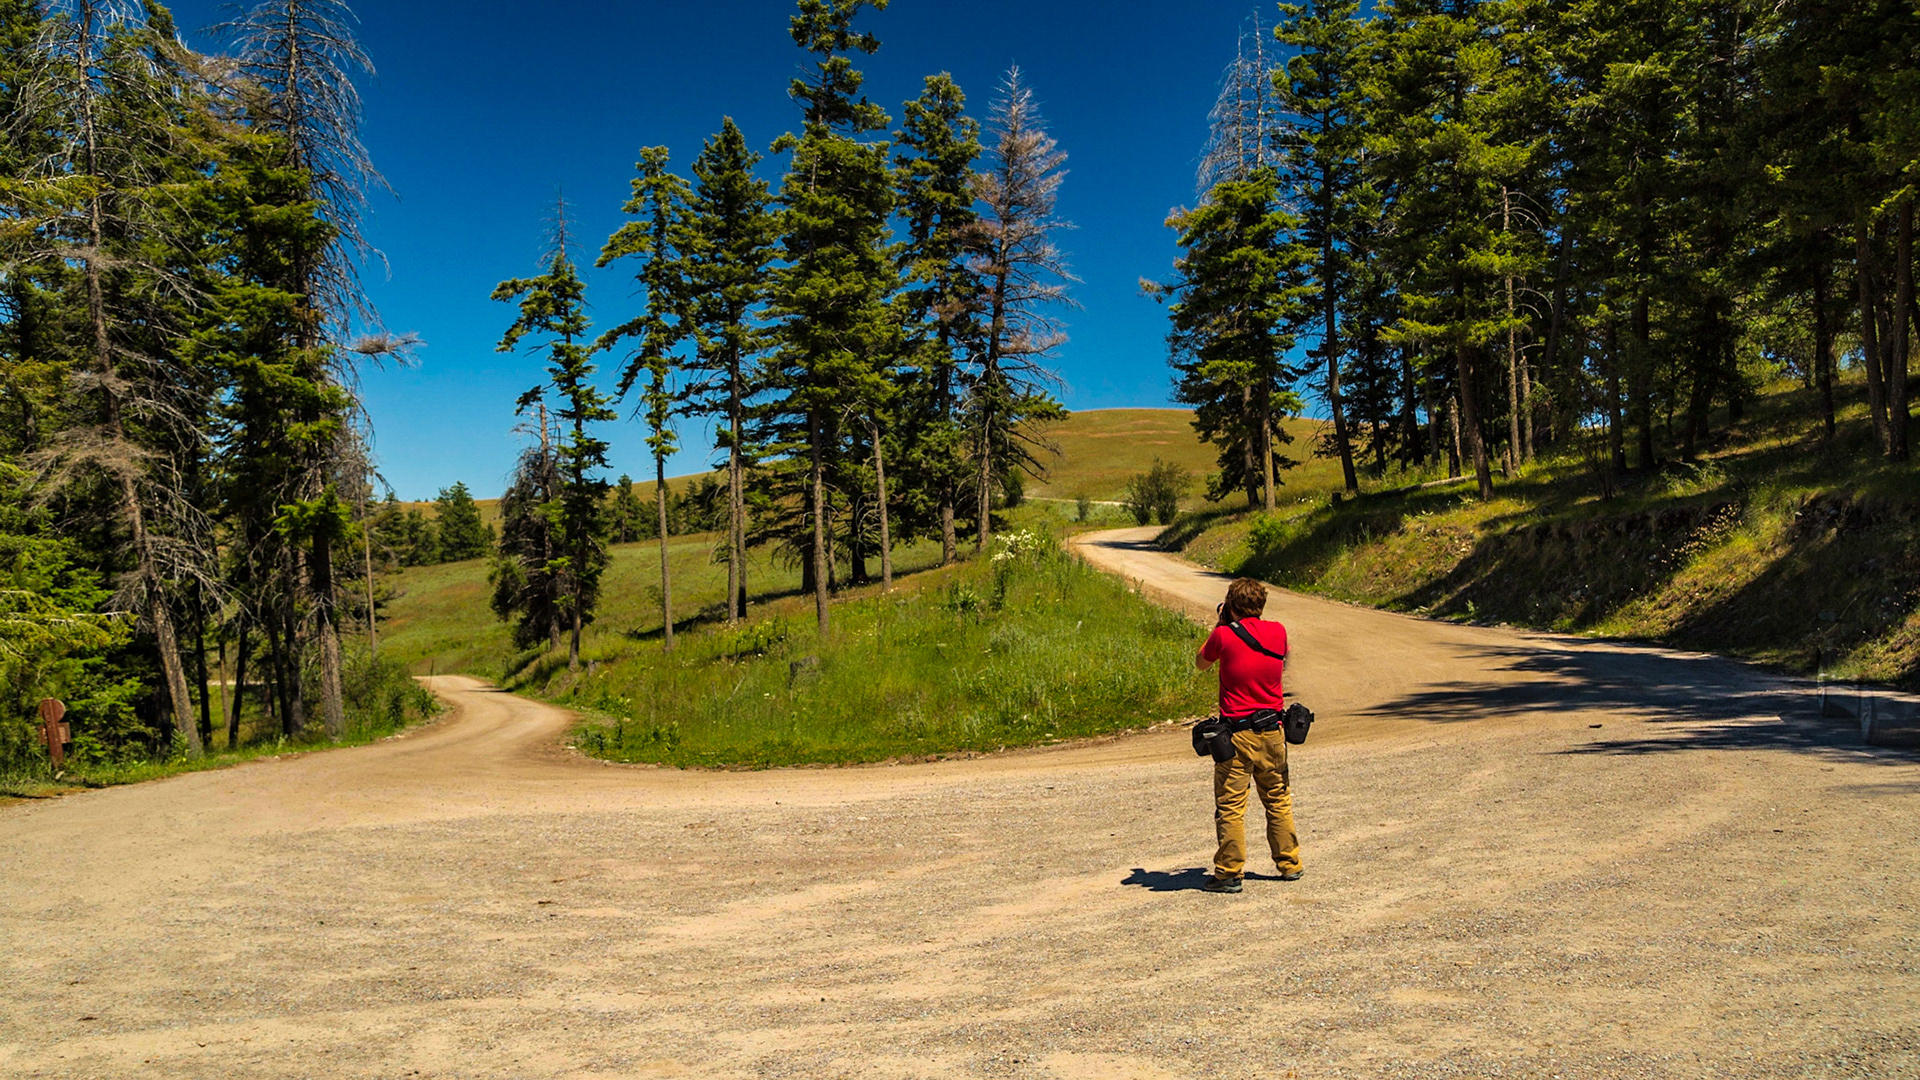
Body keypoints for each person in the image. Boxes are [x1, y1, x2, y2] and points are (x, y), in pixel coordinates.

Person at [1193, 577, 1301, 893]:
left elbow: (1201, 663)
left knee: (1231, 806)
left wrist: (1220, 623)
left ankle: (1229, 873)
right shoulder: (1278, 632)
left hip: (1236, 736)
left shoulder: (1223, 635)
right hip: (1273, 732)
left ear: (1231, 605)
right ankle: (1289, 864)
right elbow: (1283, 658)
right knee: (1278, 800)